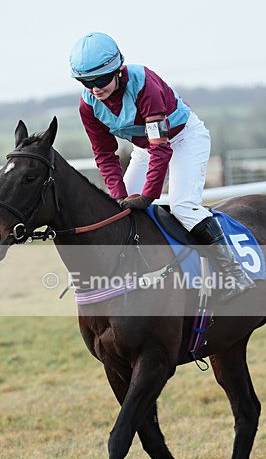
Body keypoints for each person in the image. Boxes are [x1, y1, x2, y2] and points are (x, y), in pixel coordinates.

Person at [69, 31, 254, 301]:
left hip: (184, 139)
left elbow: (161, 146)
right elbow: (104, 155)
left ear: (118, 70)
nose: (95, 89)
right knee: (116, 210)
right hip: (147, 148)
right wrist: (120, 196)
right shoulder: (88, 106)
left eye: (101, 80)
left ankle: (235, 273)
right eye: (86, 82)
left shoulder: (144, 84)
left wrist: (148, 196)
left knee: (183, 206)